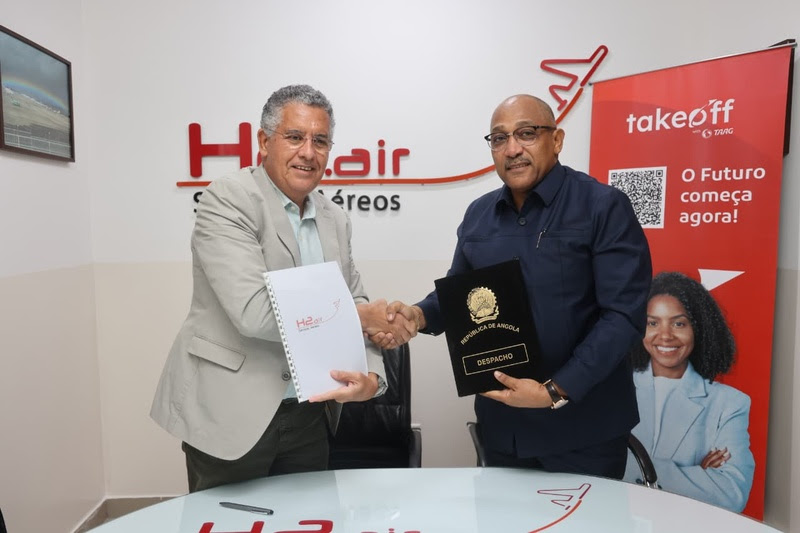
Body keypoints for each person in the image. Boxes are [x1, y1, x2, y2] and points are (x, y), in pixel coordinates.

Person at [150, 84, 415, 492]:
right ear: (264, 141)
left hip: (310, 414)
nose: (308, 152)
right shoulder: (229, 199)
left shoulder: (335, 218)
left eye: (320, 141)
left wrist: (372, 377)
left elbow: (355, 298)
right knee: (227, 521)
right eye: (294, 137)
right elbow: (254, 312)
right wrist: (363, 317)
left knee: (308, 518)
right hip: (230, 413)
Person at [382, 94, 652, 478]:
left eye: (526, 133)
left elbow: (623, 316)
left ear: (556, 140)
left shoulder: (603, 206)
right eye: (499, 138)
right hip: (504, 429)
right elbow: (460, 295)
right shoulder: (479, 214)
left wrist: (554, 391)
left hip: (583, 430)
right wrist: (418, 314)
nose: (512, 149)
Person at [624, 271, 754, 512]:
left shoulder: (730, 403)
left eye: (679, 323)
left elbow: (731, 493)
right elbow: (591, 463)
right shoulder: (616, 388)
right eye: (652, 323)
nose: (665, 335)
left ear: (699, 328)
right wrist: (697, 475)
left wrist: (630, 467)